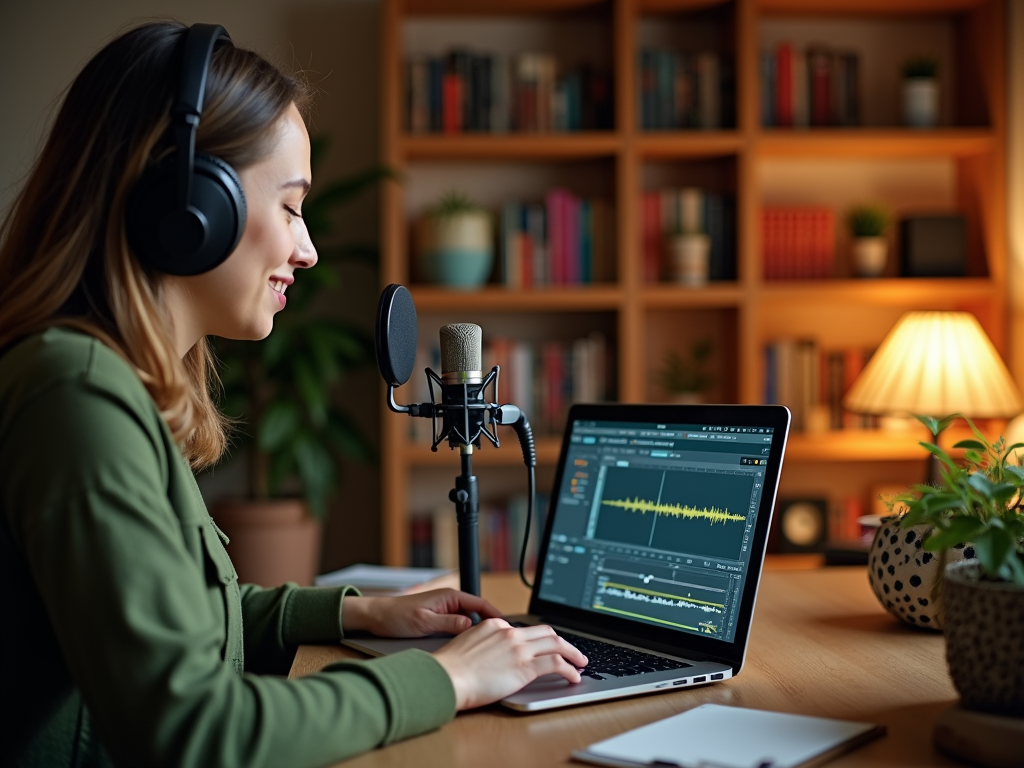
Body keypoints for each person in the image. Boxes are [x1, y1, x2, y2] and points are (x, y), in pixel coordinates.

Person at [0, 21, 586, 768]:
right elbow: (191, 727)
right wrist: (449, 676)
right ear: (188, 208)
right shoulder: (74, 396)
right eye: (289, 206)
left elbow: (191, 620)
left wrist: (359, 612)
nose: (306, 249)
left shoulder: (109, 384)